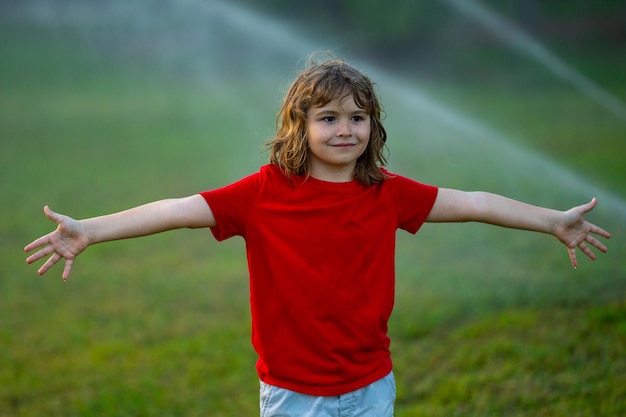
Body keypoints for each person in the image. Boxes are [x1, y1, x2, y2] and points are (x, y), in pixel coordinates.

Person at [24, 55, 610, 417]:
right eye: (328, 117)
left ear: (372, 126)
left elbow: (475, 202)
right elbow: (178, 208)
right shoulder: (263, 193)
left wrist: (550, 220)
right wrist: (92, 230)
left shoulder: (388, 191)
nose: (344, 128)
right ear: (298, 126)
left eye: (357, 117)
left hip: (371, 381)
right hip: (292, 393)